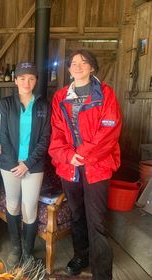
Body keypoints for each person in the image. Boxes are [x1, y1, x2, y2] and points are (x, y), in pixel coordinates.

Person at [49, 49, 122, 279]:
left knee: (97, 220)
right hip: (69, 166)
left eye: (84, 62)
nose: (78, 65)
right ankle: (81, 255)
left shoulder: (106, 94)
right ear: (69, 69)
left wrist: (81, 153)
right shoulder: (60, 97)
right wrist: (67, 155)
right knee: (77, 214)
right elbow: (57, 132)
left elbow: (109, 129)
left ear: (92, 67)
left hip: (97, 165)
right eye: (73, 63)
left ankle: (101, 272)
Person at [0, 62, 51, 266]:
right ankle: (16, 248)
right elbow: (1, 136)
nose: (26, 82)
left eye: (31, 78)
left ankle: (28, 251)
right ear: (15, 80)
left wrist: (27, 163)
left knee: (30, 208)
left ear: (36, 80)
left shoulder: (44, 105)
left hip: (33, 166)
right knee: (12, 204)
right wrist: (15, 162)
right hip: (9, 164)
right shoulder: (5, 104)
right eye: (22, 78)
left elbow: (46, 138)